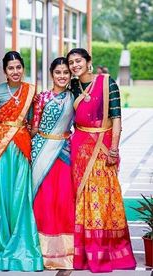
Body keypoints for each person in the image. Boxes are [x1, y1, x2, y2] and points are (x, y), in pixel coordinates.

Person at [67, 48, 136, 273]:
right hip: (79, 149)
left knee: (104, 198)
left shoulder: (107, 82)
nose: (75, 65)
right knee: (82, 200)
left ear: (89, 62)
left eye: (78, 61)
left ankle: (107, 251)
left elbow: (116, 117)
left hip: (103, 147)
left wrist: (114, 149)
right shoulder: (72, 87)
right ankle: (85, 252)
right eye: (71, 62)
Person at [0, 51, 43, 271]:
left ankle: (21, 243)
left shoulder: (31, 91)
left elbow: (35, 121)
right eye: (10, 68)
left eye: (18, 67)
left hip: (21, 148)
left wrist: (19, 134)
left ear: (23, 68)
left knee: (19, 196)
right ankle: (0, 241)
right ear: (4, 71)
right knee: (0, 195)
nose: (15, 71)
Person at [31, 57, 75, 270]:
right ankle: (41, 249)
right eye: (58, 72)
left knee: (64, 199)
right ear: (51, 74)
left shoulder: (74, 97)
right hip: (42, 153)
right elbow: (34, 126)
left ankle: (66, 250)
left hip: (65, 153)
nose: (62, 76)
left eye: (66, 72)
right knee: (44, 199)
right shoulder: (41, 97)